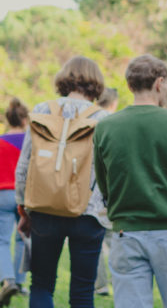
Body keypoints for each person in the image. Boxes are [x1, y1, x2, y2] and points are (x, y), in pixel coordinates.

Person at [93, 54, 167, 308]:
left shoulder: (106, 127)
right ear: (159, 83)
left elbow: (104, 184)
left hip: (126, 231)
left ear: (130, 85)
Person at [15, 56, 110, 308]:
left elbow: (24, 165)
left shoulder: (41, 111)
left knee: (42, 284)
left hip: (44, 210)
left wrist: (24, 209)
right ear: (96, 83)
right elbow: (110, 170)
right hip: (89, 213)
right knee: (82, 290)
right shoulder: (104, 119)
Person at [0, 98, 28, 305]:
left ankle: (7, 279)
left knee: (2, 239)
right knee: (23, 239)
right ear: (25, 119)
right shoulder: (31, 141)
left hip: (2, 194)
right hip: (25, 195)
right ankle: (19, 282)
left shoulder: (0, 141)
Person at [93, 87, 118, 296]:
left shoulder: (90, 121)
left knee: (99, 243)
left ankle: (101, 285)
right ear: (114, 102)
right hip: (116, 191)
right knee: (116, 240)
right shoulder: (117, 123)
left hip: (94, 193)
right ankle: (118, 282)